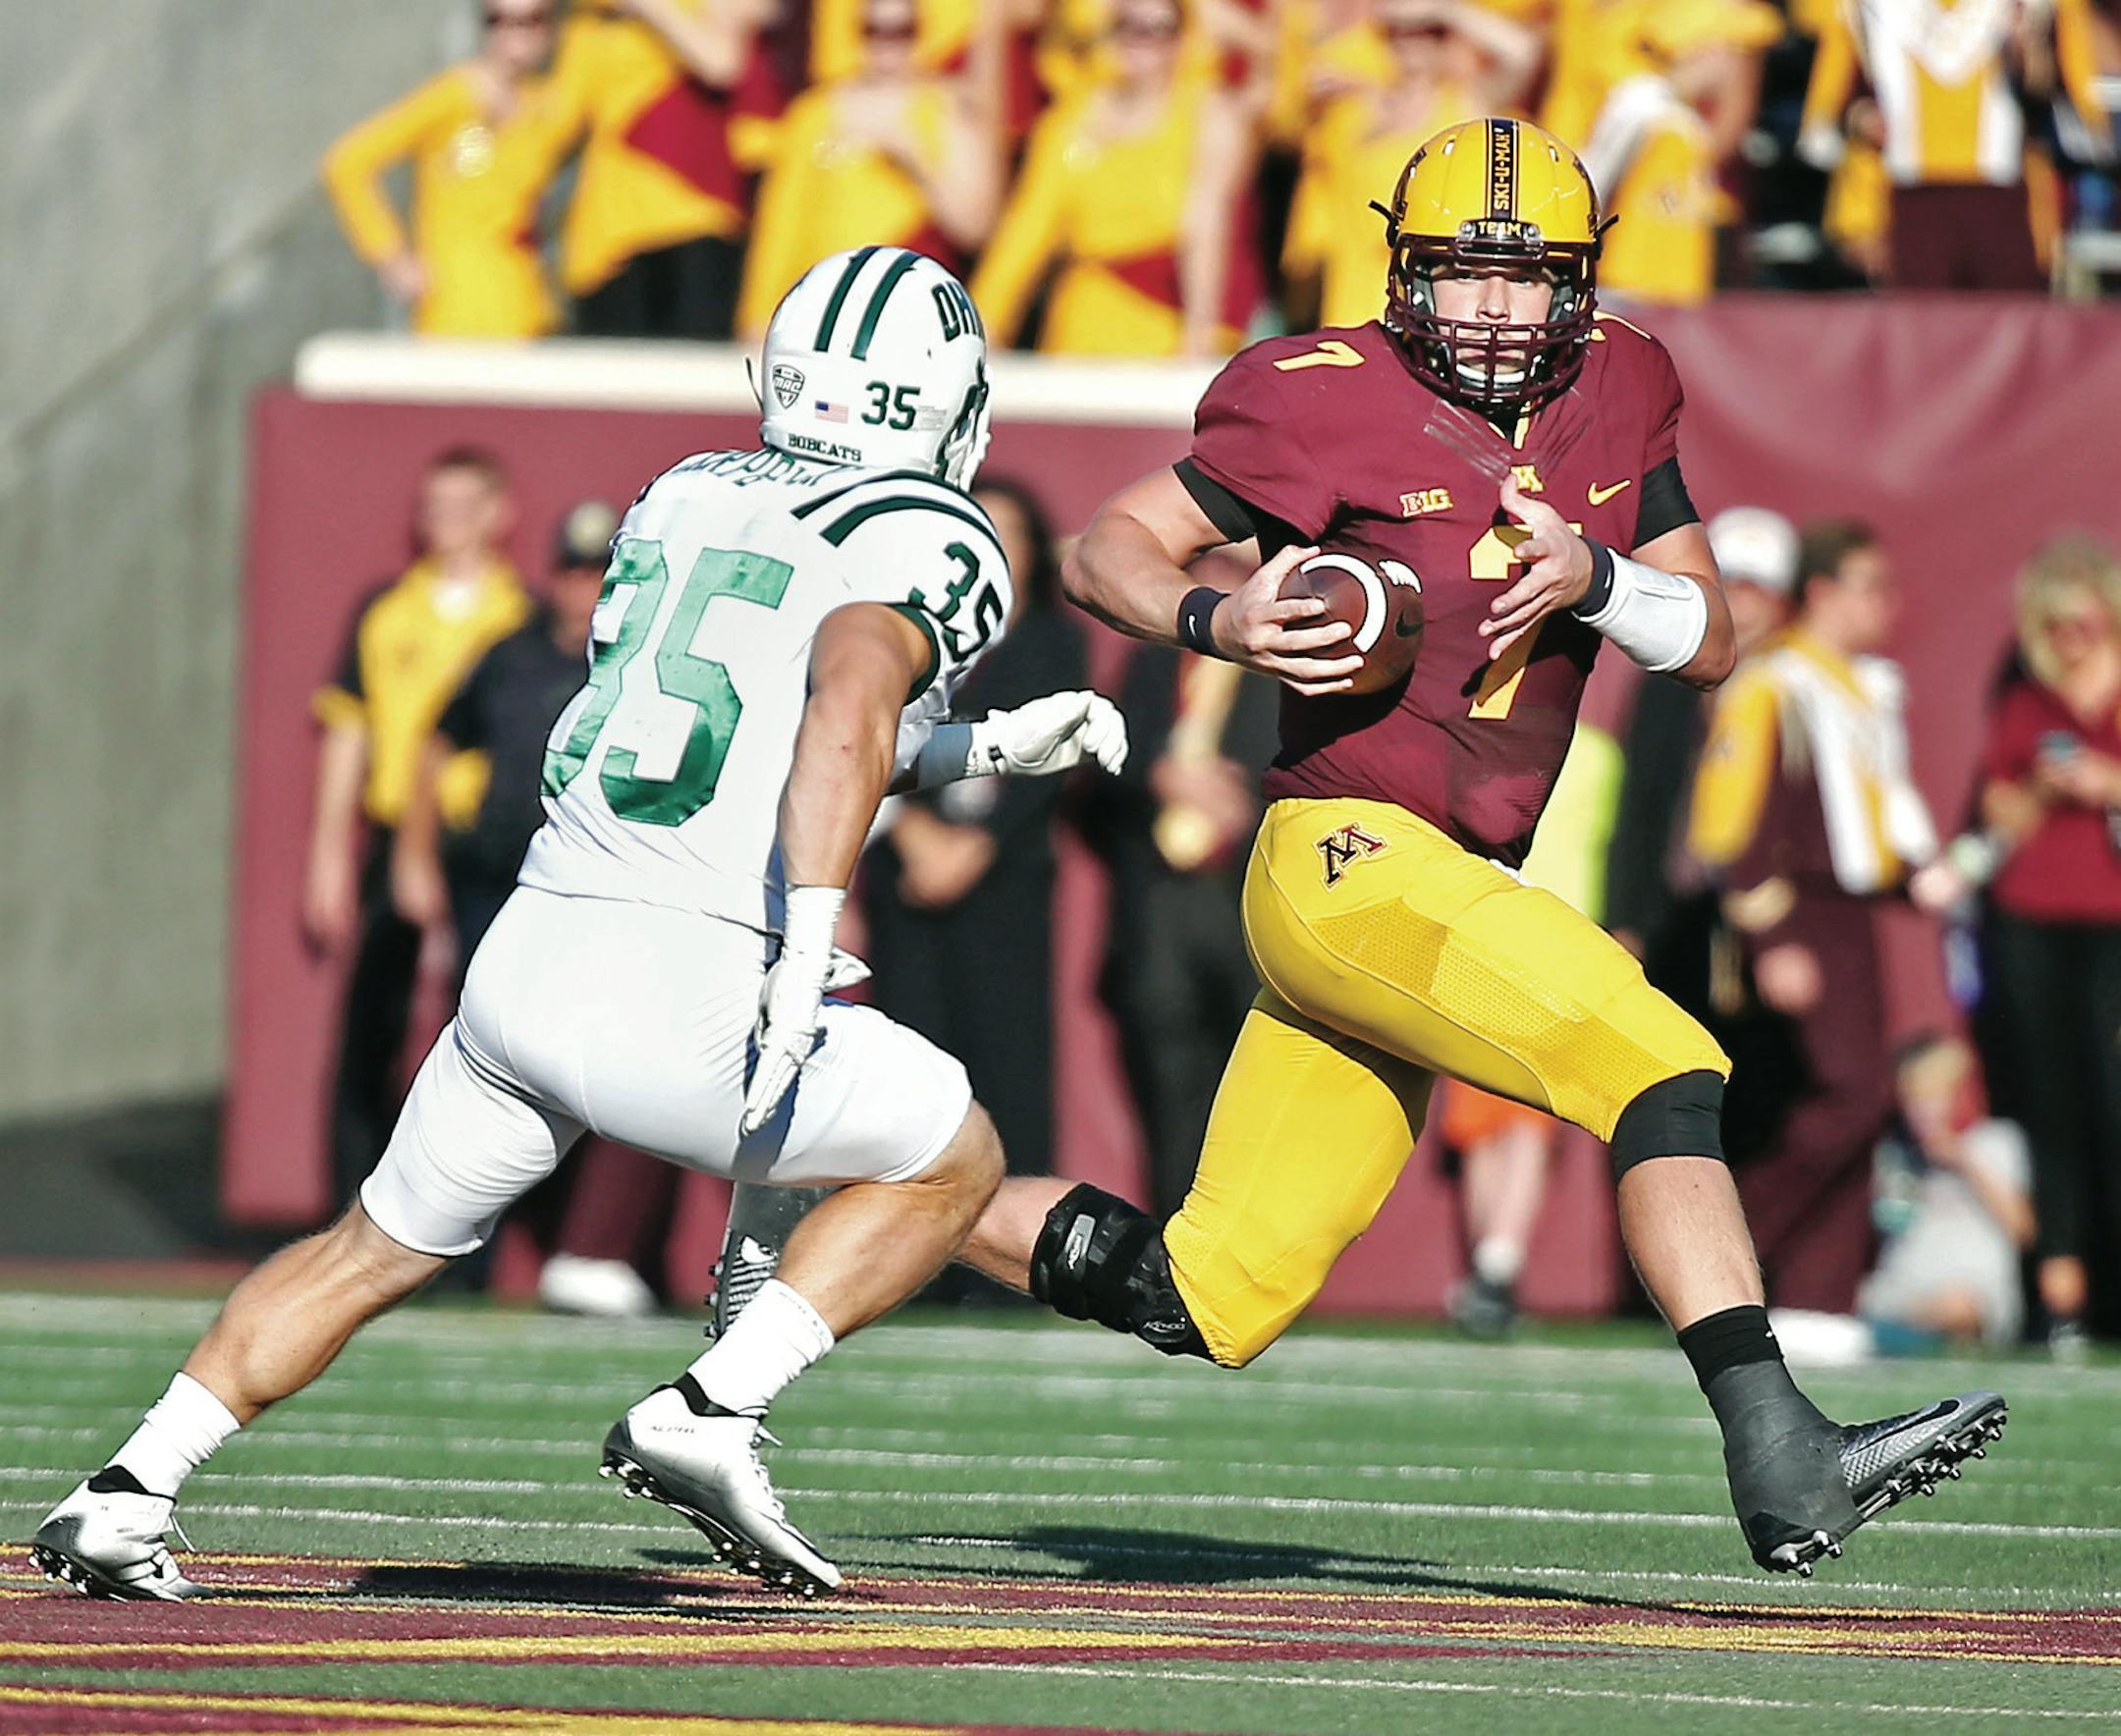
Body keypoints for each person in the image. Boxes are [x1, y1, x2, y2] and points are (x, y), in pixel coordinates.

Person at [950, 119, 2004, 1578]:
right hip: (1345, 858)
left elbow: (1709, 638)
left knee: (1212, 1289)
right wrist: (1220, 618)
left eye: (1529, 278)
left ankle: (879, 1200)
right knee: (1663, 1062)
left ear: (1580, 282)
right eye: (1461, 275)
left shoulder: (1623, 381)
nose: (1498, 308)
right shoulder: (1318, 398)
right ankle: (1781, 1445)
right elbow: (1103, 547)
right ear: (1403, 273)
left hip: (1450, 882)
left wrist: (1601, 577)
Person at [30, 247, 1128, 1603]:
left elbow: (763, 726)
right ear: (941, 400)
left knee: (370, 1246)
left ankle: (128, 1487)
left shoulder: (688, 491)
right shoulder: (933, 530)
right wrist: (809, 936)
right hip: (690, 970)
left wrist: (985, 743)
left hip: (533, 953)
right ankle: (715, 1406)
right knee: (952, 1156)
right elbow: (842, 712)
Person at [1688, 520, 1941, 1319]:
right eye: (1872, 585)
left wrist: (1921, 872)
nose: (1887, 605)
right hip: (1801, 913)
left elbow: (1875, 819)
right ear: (1824, 591)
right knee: (1844, 1099)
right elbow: (1730, 823)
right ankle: (1714, 1270)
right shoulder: (1774, 685)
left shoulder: (1861, 687)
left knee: (1863, 1106)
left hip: (1853, 912)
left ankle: (1819, 1299)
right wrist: (1773, 934)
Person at [305, 449, 534, 1212]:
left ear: (500, 513)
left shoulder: (520, 618)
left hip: (487, 844)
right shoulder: (389, 611)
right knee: (374, 1028)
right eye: (434, 505)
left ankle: (479, 1212)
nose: (448, 521)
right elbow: (350, 730)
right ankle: (356, 1203)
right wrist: (329, 854)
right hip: (397, 828)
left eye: (465, 504)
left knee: (490, 1031)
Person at [862, 478, 1087, 1181]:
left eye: (1009, 532)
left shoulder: (1053, 643)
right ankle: (912, 1256)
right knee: (911, 1066)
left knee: (1008, 1064)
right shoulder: (900, 636)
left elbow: (1050, 758)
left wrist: (979, 844)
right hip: (905, 879)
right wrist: (910, 833)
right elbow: (860, 733)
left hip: (1007, 884)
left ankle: (1013, 1255)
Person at [1967, 535, 2121, 1347]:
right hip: (2033, 918)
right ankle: (2064, 1297)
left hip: (2113, 925)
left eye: (2083, 626)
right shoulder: (2028, 705)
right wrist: (2039, 785)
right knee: (2052, 1110)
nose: (2068, 643)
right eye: (2054, 629)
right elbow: (1999, 822)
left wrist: (2107, 783)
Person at [393, 500, 619, 970]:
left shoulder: (629, 667)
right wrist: (415, 858)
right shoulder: (511, 656)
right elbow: (437, 743)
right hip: (499, 874)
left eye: (598, 574)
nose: (584, 591)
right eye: (574, 572)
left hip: (592, 882)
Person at [972, 0, 1260, 356]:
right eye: (1126, 25)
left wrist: (1197, 342)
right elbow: (1023, 236)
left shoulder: (1210, 117)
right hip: (1084, 329)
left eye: (1157, 28)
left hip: (1173, 331)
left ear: (1183, 39)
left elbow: (1205, 228)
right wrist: (981, 330)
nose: (1139, 40)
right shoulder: (1068, 124)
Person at [735, 0, 1003, 343]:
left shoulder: (944, 113)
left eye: (901, 33)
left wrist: (913, 160)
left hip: (910, 316)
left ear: (921, 34)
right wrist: (756, 320)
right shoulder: (814, 114)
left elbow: (976, 227)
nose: (888, 49)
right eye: (875, 33)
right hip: (826, 313)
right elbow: (780, 227)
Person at [1798, 0, 2107, 290]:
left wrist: (2029, 49)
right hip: (1911, 190)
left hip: (2001, 190)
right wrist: (1860, 122)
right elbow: (1839, 103)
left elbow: (2048, 93)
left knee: (2007, 324)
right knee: (1922, 326)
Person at [321, 0, 578, 338]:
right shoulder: (458, 97)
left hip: (523, 302)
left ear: (552, 27)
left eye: (532, 21)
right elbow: (348, 163)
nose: (514, 35)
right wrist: (392, 257)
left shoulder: (544, 103)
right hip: (458, 303)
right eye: (498, 20)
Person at [556, 0, 784, 339]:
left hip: (696, 221)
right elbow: (559, 123)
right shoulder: (591, 24)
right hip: (614, 234)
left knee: (693, 374)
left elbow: (723, 62)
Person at [1860, 1034, 2034, 1352]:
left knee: (1957, 1308)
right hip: (1903, 1286)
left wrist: (1963, 1161)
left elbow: (2023, 1229)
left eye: (1933, 1097)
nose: (1922, 1111)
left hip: (1970, 1291)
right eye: (1914, 1100)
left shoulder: (1996, 1141)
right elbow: (1888, 1224)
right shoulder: (1895, 1152)